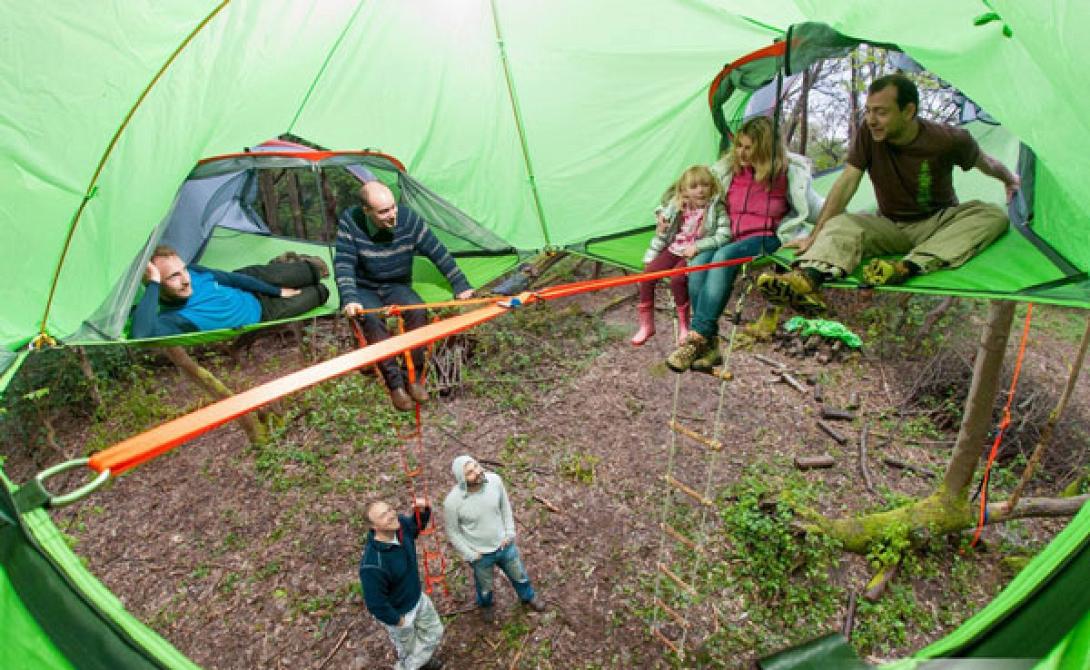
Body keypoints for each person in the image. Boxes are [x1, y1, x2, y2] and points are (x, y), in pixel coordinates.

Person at [757, 73, 1020, 315]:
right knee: (842, 222)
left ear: (908, 111)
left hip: (938, 224)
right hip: (890, 225)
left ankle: (905, 267)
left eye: (881, 113)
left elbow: (987, 163)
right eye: (869, 111)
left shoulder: (948, 139)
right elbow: (847, 182)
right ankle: (807, 280)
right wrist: (813, 236)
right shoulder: (868, 135)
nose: (871, 120)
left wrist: (1010, 180)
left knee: (993, 215)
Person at [665, 115, 821, 372]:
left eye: (749, 147)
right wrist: (668, 212)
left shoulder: (789, 175)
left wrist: (842, 220)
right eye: (739, 145)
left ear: (765, 146)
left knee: (723, 256)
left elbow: (819, 209)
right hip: (729, 236)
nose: (741, 152)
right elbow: (689, 189)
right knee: (698, 263)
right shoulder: (729, 171)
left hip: (765, 239)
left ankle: (697, 338)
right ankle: (710, 344)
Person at [336, 181, 474, 412]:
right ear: (366, 211)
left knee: (418, 310)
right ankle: (395, 385)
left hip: (396, 284)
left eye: (393, 208)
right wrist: (350, 298)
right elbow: (343, 263)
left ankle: (414, 377)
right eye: (383, 212)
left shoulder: (408, 219)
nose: (392, 216)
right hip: (364, 288)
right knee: (372, 320)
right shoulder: (351, 222)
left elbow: (437, 251)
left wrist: (460, 284)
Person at [131, 245, 329, 338]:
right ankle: (286, 267)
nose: (185, 280)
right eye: (173, 276)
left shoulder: (195, 272)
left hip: (251, 282)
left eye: (183, 269)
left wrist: (276, 290)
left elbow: (232, 279)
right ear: (155, 285)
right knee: (322, 293)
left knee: (312, 271)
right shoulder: (175, 319)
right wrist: (153, 282)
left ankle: (289, 264)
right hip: (263, 312)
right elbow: (141, 333)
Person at [630, 165, 727, 346]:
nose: (700, 190)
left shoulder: (716, 207)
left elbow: (724, 235)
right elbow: (663, 213)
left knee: (677, 279)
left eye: (705, 185)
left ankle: (685, 325)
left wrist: (699, 246)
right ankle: (647, 325)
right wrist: (666, 213)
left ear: (712, 187)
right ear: (685, 190)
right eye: (694, 187)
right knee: (647, 277)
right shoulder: (680, 205)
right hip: (675, 247)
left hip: (694, 252)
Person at [442, 455, 545, 624]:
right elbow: (453, 533)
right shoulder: (452, 503)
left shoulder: (494, 481)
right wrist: (470, 554)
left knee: (519, 574)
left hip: (505, 545)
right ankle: (486, 604)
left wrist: (510, 532)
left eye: (476, 466)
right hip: (480, 555)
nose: (477, 471)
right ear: (462, 479)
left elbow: (505, 507)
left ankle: (528, 597)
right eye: (470, 472)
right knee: (484, 587)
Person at [360, 497, 445, 670]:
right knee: (409, 651)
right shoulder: (372, 564)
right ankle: (411, 666)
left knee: (435, 632)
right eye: (384, 515)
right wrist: (397, 621)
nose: (392, 515)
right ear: (374, 527)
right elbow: (375, 604)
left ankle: (420, 662)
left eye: (390, 509)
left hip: (417, 598)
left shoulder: (401, 527)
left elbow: (415, 526)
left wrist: (422, 512)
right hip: (401, 614)